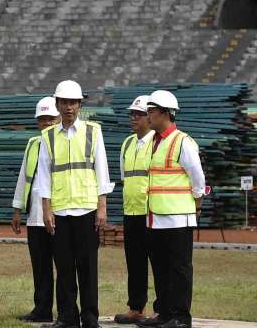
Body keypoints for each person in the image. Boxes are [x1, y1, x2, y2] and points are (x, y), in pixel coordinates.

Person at [36, 80, 114, 328]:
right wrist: (46, 210)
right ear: (57, 105)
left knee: (88, 267)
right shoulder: (47, 136)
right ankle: (67, 317)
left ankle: (90, 318)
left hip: (87, 209)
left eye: (73, 102)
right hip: (60, 210)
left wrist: (102, 207)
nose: (68, 107)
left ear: (80, 105)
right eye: (64, 103)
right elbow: (44, 174)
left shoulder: (93, 131)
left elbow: (102, 170)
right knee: (65, 267)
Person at [137, 90, 205, 328]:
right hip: (156, 217)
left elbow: (197, 176)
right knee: (161, 268)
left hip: (178, 218)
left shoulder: (182, 142)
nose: (148, 116)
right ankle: (165, 313)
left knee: (179, 269)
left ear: (165, 113)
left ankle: (181, 317)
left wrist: (198, 201)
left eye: (151, 112)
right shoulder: (155, 142)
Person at [11, 96, 61, 323]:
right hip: (35, 217)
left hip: (60, 215)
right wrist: (18, 209)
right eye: (42, 119)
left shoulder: (66, 142)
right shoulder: (33, 144)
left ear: (59, 117)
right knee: (40, 267)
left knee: (64, 267)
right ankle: (42, 309)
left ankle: (66, 310)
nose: (46, 123)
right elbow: (24, 177)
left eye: (50, 118)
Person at [114, 95, 160, 324]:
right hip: (131, 212)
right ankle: (136, 307)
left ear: (150, 117)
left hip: (152, 213)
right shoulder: (127, 143)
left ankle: (162, 309)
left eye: (139, 114)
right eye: (132, 114)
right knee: (135, 263)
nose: (134, 118)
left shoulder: (158, 143)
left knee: (159, 263)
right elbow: (125, 179)